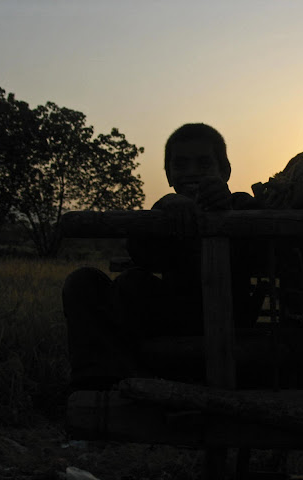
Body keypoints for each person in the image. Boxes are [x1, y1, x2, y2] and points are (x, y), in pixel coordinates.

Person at [62, 123, 262, 390]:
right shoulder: (168, 215)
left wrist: (227, 213)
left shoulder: (242, 205)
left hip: (231, 320)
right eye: (181, 166)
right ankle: (100, 384)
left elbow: (264, 250)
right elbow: (141, 252)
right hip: (171, 317)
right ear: (168, 176)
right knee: (85, 282)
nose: (192, 174)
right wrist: (163, 207)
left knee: (131, 282)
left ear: (224, 171)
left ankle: (127, 382)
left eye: (204, 164)